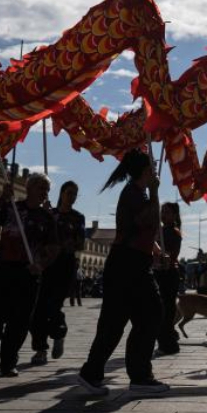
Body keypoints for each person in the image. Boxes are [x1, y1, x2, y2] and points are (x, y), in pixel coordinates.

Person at [77, 150, 169, 395]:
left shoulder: (138, 193)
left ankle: (96, 373)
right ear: (144, 171)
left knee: (127, 320)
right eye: (152, 168)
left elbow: (140, 229)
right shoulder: (133, 193)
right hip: (128, 264)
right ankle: (136, 376)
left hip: (132, 262)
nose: (155, 172)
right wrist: (156, 193)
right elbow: (142, 220)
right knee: (144, 315)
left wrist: (156, 250)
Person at [0, 174, 56, 377]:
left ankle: (8, 361)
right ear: (28, 188)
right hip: (4, 269)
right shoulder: (12, 208)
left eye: (46, 189)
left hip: (28, 273)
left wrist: (41, 264)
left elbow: (53, 247)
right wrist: (2, 199)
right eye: (40, 187)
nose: (44, 193)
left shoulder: (47, 218)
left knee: (20, 320)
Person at [31, 180, 86, 364]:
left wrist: (67, 244)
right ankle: (40, 349)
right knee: (38, 308)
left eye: (75, 194)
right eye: (69, 193)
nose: (72, 197)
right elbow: (38, 236)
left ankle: (58, 333)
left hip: (65, 265)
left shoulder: (78, 217)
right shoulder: (49, 213)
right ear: (61, 193)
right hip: (47, 264)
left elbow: (81, 243)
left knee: (53, 305)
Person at [155, 201, 183, 356]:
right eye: (162, 211)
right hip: (158, 272)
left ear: (174, 215)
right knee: (160, 308)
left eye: (166, 212)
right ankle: (167, 337)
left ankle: (168, 342)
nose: (163, 214)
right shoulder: (159, 230)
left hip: (169, 273)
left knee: (166, 308)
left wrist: (164, 258)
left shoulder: (174, 232)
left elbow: (173, 255)